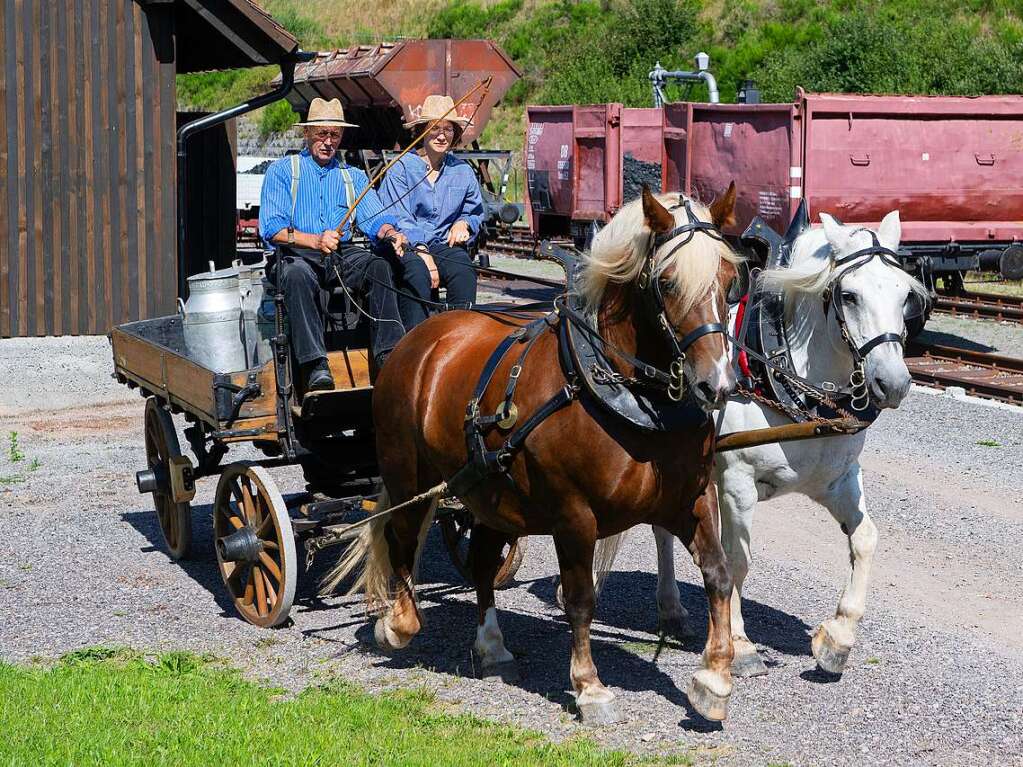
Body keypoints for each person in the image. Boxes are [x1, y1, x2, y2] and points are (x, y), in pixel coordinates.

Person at [259, 98, 409, 391]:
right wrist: (314, 240)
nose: (328, 142)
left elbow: (374, 218)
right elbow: (272, 228)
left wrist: (391, 233)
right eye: (322, 134)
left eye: (335, 135)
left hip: (341, 254)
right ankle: (315, 365)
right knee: (297, 276)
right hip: (296, 253)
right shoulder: (282, 171)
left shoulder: (352, 176)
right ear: (307, 134)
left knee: (378, 266)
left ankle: (387, 355)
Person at [380, 94, 484, 330]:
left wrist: (464, 223)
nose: (441, 135)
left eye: (448, 129)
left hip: (442, 244)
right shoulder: (401, 168)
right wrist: (423, 254)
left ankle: (459, 337)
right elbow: (400, 217)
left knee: (464, 270)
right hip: (406, 244)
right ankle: (416, 341)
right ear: (421, 131)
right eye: (435, 128)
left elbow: (475, 211)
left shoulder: (462, 171)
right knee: (417, 273)